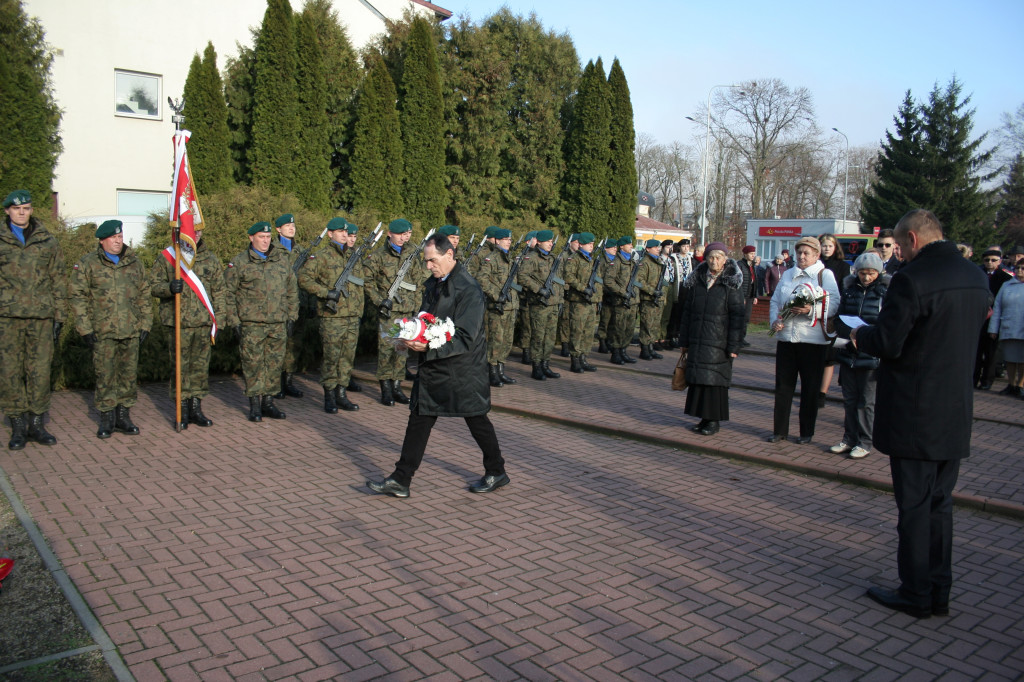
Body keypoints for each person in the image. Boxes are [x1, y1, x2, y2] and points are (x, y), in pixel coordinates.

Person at [851, 208, 989, 618]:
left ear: (912, 239)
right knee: (940, 505)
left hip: (915, 411)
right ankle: (937, 589)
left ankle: (915, 592)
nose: (898, 255)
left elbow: (890, 342)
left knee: (913, 507)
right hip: (955, 408)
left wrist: (862, 335)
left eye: (899, 245)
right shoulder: (974, 275)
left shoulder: (914, 278)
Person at [367, 234, 508, 498]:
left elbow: (466, 336)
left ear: (450, 255)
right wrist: (410, 334)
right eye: (426, 261)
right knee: (419, 419)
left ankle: (496, 471)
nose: (429, 266)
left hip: (461, 370)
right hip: (433, 368)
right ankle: (401, 478)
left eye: (432, 261)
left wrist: (429, 345)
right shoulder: (433, 283)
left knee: (477, 418)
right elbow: (428, 320)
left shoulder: (469, 289)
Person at [70, 219, 150, 438]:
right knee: (105, 374)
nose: (118, 241)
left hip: (130, 329)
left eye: (120, 237)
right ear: (102, 240)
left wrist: (146, 324)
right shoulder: (88, 263)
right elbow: (78, 297)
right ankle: (106, 419)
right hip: (102, 331)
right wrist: (85, 328)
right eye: (113, 238)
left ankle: (123, 417)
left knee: (128, 375)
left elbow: (144, 293)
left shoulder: (134, 262)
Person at [1, 190, 68, 450]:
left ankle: (37, 424)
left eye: (26, 208)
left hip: (41, 316)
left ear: (31, 210)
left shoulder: (47, 241)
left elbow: (58, 279)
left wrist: (59, 316)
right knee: (10, 372)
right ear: (7, 210)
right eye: (16, 209)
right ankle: (18, 427)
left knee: (39, 372)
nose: (21, 212)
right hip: (7, 317)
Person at [149, 228, 227, 429]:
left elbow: (219, 291)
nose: (196, 234)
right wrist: (169, 288)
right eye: (191, 230)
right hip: (179, 323)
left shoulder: (210, 259)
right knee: (180, 369)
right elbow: (151, 286)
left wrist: (220, 319)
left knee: (200, 369)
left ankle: (196, 408)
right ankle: (181, 409)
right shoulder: (169, 256)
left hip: (202, 323)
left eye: (199, 231)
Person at [766, 236, 840, 444]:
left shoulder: (824, 275)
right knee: (783, 387)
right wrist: (775, 321)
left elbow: (834, 303)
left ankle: (806, 432)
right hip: (787, 338)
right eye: (799, 252)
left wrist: (811, 310)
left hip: (812, 341)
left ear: (816, 255)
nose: (802, 256)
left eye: (807, 253)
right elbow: (774, 301)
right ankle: (779, 430)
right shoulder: (788, 274)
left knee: (810, 388)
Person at [225, 221, 298, 422]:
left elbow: (292, 290)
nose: (265, 241)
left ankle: (268, 402)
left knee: (274, 364)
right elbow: (228, 294)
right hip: (252, 323)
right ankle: (255, 404)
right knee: (253, 364)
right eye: (261, 237)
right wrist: (234, 321)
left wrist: (292, 316)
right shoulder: (239, 262)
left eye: (267, 238)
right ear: (251, 238)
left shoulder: (282, 261)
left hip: (277, 322)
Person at [677, 242, 745, 436]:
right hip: (699, 339)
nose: (714, 262)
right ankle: (702, 417)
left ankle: (713, 420)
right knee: (699, 380)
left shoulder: (730, 284)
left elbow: (738, 318)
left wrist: (734, 345)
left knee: (715, 382)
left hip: (719, 341)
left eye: (718, 258)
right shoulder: (697, 281)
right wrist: (684, 341)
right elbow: (687, 313)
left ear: (725, 260)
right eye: (710, 258)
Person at [298, 218, 364, 413]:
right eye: (339, 232)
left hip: (352, 316)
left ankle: (341, 394)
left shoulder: (354, 256)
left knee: (347, 358)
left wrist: (360, 310)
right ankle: (329, 395)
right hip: (332, 316)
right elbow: (303, 278)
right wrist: (326, 293)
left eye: (346, 232)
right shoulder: (321, 256)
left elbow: (361, 284)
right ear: (330, 234)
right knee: (331, 357)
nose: (344, 234)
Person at [832, 252, 890, 459]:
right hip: (849, 351)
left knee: (866, 401)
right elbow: (838, 319)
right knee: (849, 399)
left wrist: (867, 337)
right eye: (863, 273)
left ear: (879, 273)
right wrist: (850, 334)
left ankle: (865, 441)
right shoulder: (848, 291)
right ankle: (848, 438)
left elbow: (888, 323)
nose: (866, 278)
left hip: (872, 355)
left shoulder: (885, 293)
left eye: (871, 273)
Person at [365, 218, 426, 405]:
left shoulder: (412, 254)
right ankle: (385, 389)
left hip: (407, 311)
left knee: (401, 349)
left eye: (406, 234)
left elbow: (418, 283)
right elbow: (368, 282)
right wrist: (380, 301)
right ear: (390, 233)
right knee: (386, 350)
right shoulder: (378, 256)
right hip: (389, 311)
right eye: (399, 234)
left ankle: (397, 386)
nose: (403, 238)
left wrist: (417, 308)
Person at [474, 227, 520, 386]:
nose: (508, 242)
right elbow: (481, 280)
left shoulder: (510, 259)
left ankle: (501, 370)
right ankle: (491, 372)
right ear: (498, 240)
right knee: (495, 340)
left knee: (507, 341)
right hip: (496, 307)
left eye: (510, 240)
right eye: (505, 239)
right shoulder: (491, 258)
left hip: (510, 306)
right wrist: (496, 295)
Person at [518, 229, 564, 380]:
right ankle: (536, 366)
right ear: (539, 242)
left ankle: (545, 364)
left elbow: (559, 280)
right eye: (548, 241)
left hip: (553, 303)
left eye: (551, 241)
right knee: (538, 336)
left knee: (549, 337)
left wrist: (559, 298)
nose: (551, 244)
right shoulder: (531, 258)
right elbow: (522, 277)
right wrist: (539, 290)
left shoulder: (553, 258)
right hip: (539, 303)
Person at [272, 213, 307, 399]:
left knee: (294, 344)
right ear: (278, 229)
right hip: (279, 304)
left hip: (298, 303)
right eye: (287, 226)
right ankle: (275, 382)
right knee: (278, 344)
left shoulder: (301, 250)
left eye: (293, 225)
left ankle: (288, 381)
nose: (292, 228)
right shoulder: (272, 250)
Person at [817, 233, 853, 407]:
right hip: (814, 315)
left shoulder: (842, 266)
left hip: (831, 315)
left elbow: (843, 291)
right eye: (824, 246)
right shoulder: (816, 265)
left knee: (828, 357)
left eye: (830, 246)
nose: (827, 249)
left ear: (835, 247)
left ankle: (822, 393)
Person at [561, 232, 601, 373]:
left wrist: (597, 298)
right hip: (578, 301)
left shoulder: (591, 260)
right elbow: (568, 277)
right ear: (581, 244)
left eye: (592, 244)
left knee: (588, 332)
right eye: (589, 244)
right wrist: (583, 289)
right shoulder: (574, 259)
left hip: (590, 302)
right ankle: (575, 360)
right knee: (577, 331)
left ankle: (584, 358)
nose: (591, 246)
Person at [975, 249, 1012, 390]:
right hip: (978, 318)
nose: (990, 263)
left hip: (994, 319)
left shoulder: (1005, 278)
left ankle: (987, 381)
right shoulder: (978, 274)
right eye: (987, 260)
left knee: (991, 354)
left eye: (993, 260)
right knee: (976, 353)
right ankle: (973, 379)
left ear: (1000, 261)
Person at [988, 260, 1024, 397]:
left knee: (1022, 359)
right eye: (1018, 268)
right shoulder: (1007, 285)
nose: (1019, 271)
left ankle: (1020, 386)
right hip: (1009, 326)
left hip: (1023, 327)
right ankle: (1011, 384)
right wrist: (993, 328)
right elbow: (997, 308)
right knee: (1010, 357)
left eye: (1023, 268)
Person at [609, 236, 640, 364]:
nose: (631, 246)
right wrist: (622, 292)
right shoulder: (616, 262)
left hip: (632, 301)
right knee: (619, 328)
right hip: (621, 301)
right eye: (628, 244)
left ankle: (623, 351)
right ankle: (616, 353)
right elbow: (608, 281)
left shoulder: (632, 261)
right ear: (622, 246)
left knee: (629, 328)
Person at [637, 239, 667, 360]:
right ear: (648, 249)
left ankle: (650, 347)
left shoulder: (658, 261)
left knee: (655, 325)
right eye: (655, 247)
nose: (658, 249)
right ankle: (644, 349)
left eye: (658, 247)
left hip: (658, 299)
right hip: (648, 299)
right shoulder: (645, 262)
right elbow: (639, 281)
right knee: (647, 325)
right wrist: (652, 291)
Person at [596, 239, 620, 354]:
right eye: (612, 247)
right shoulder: (601, 262)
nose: (615, 249)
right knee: (604, 321)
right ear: (606, 249)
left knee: (613, 321)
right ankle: (602, 342)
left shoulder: (616, 261)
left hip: (615, 295)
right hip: (605, 294)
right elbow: (600, 279)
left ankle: (609, 341)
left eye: (616, 247)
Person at [737, 245, 759, 347]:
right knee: (739, 317)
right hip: (742, 296)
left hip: (750, 296)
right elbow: (738, 282)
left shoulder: (752, 266)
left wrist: (755, 296)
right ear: (745, 254)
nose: (752, 255)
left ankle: (742, 338)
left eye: (754, 254)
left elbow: (754, 282)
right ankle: (737, 339)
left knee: (746, 318)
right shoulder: (740, 265)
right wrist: (741, 296)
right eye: (751, 254)